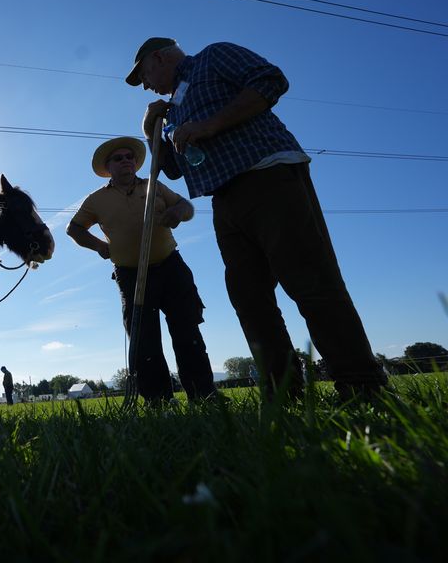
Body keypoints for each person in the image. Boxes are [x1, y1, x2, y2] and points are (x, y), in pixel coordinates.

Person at [127, 37, 388, 400]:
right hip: (224, 198)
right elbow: (171, 170)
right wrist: (150, 131)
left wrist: (211, 124)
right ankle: (282, 391)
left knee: (309, 279)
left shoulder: (212, 58)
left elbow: (270, 80)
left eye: (144, 75)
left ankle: (362, 384)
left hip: (267, 174)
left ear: (159, 57)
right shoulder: (173, 107)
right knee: (248, 297)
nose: (145, 85)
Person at [67, 136, 217, 404]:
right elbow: (74, 229)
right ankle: (158, 400)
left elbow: (186, 206)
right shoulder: (96, 200)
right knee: (145, 341)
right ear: (108, 167)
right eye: (119, 158)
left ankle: (204, 394)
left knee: (187, 332)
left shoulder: (153, 186)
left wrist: (177, 213)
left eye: (130, 157)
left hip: (171, 267)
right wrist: (100, 247)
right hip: (131, 274)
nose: (126, 161)